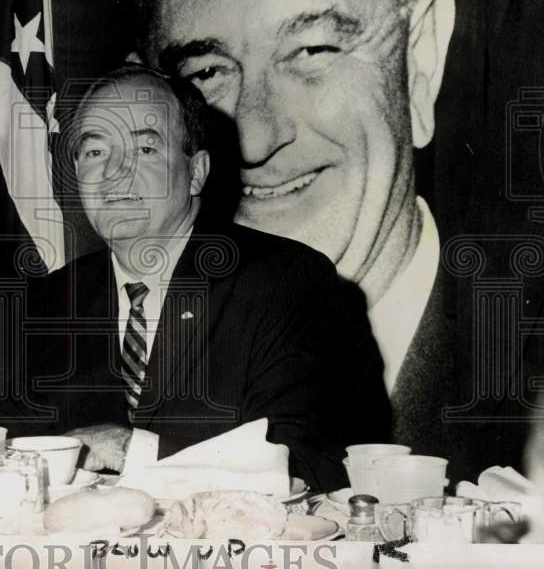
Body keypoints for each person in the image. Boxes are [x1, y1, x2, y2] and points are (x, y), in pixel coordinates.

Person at [140, 0, 544, 481]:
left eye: (311, 51)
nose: (251, 136)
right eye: (208, 72)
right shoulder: (150, 361)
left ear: (420, 58)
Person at [24, 65, 388, 491]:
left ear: (196, 172)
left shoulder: (287, 282)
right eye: (95, 152)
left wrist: (132, 452)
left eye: (144, 150)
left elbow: (306, 461)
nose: (115, 171)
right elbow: (5, 436)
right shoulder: (52, 299)